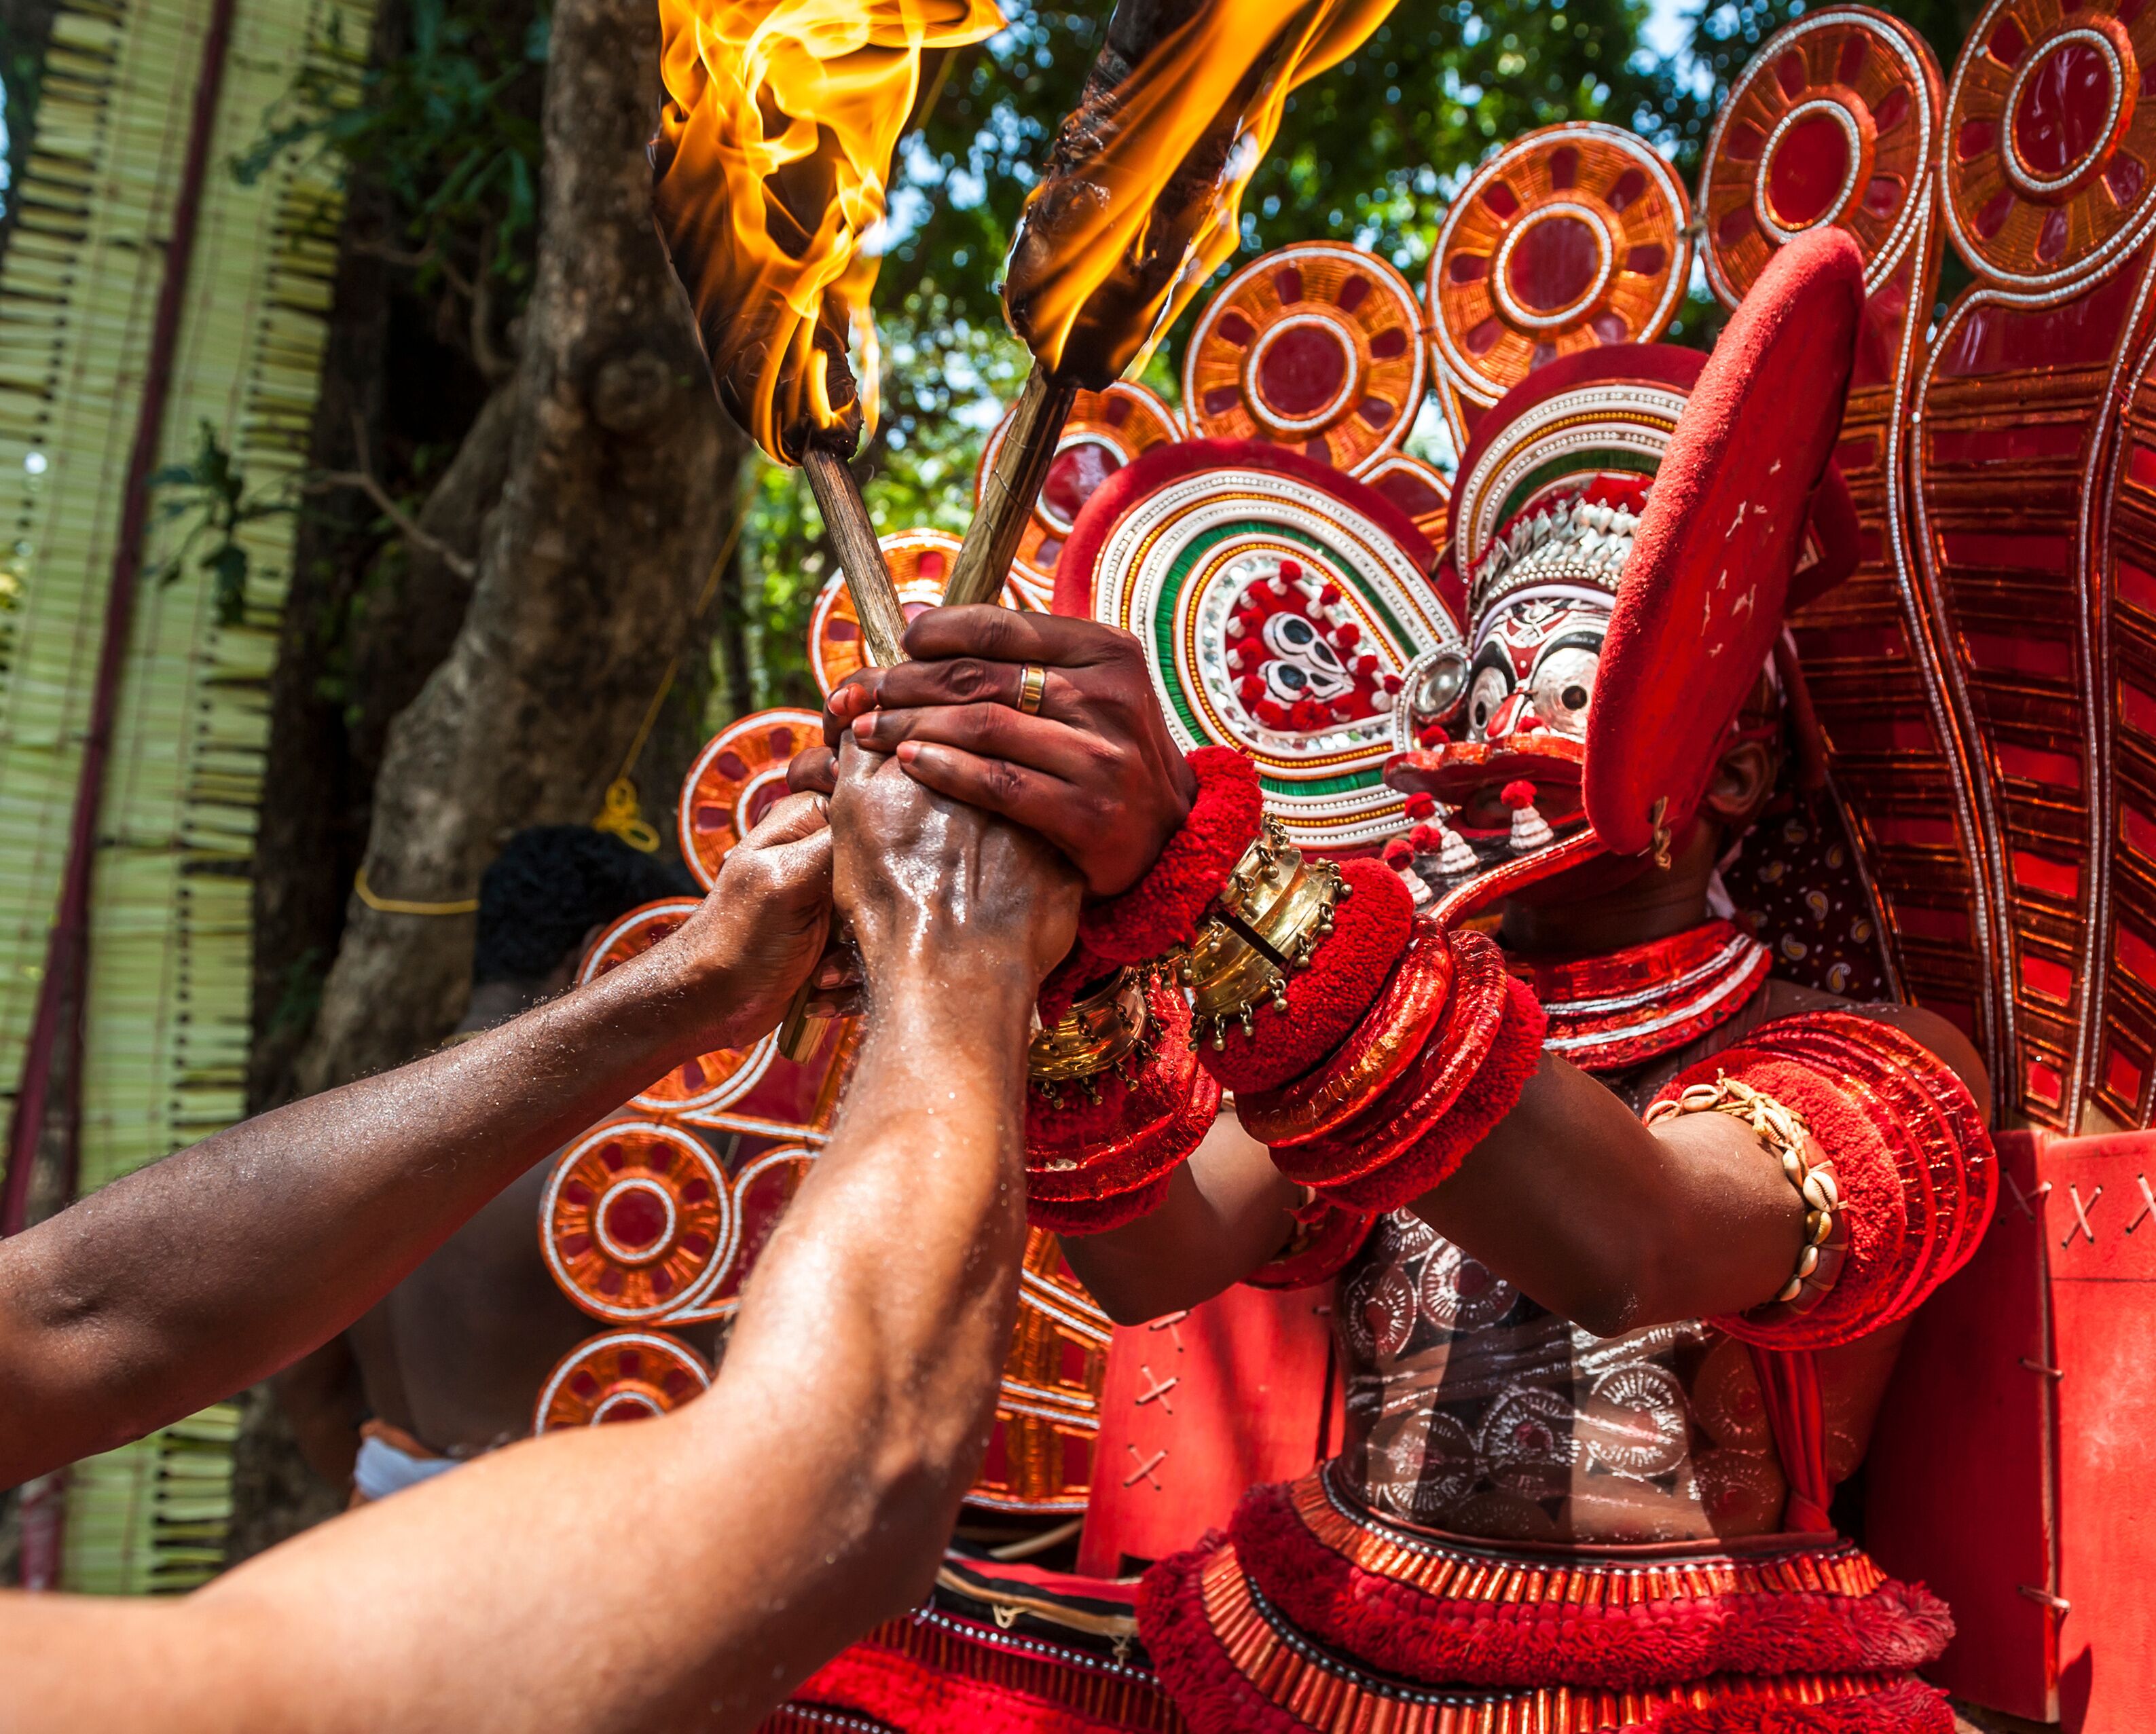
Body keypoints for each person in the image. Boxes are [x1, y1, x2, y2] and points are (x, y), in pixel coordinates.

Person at [802, 234, 1992, 1731]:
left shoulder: (1871, 1054)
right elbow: (1154, 1259)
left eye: (1561, 696)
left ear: (1734, 761)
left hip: (1698, 1689)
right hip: (1320, 1636)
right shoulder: (1410, 1017)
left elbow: (1634, 1238)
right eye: (1468, 699)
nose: (1485, 755)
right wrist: (1061, 962)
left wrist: (1216, 878)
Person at [5, 742, 1084, 1733]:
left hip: (398, 1514)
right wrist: (957, 954)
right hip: (579, 1549)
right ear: (593, 945)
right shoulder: (623, 1183)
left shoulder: (404, 1158)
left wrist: (694, 983)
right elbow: (852, 1491)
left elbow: (79, 1314)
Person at [278, 828, 702, 1502]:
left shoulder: (352, 1133)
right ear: (598, 954)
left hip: (374, 1538)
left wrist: (393, 1503)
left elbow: (309, 1388)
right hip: (539, 1548)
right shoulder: (615, 1161)